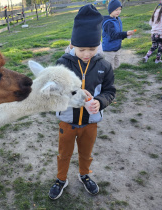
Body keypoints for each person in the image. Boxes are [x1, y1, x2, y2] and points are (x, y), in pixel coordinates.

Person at [48, 4, 116, 200]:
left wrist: (101, 102)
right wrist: (73, 93)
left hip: (90, 122)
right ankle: (61, 179)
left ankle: (85, 175)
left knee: (86, 153)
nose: (87, 53)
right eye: (81, 49)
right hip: (67, 122)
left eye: (92, 49)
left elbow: (110, 90)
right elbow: (53, 90)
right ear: (72, 44)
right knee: (64, 154)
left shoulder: (104, 65)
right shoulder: (62, 64)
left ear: (98, 45)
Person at [102, 0, 135, 69]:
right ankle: (107, 77)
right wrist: (125, 33)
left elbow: (118, 34)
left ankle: (113, 73)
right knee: (109, 67)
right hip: (109, 49)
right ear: (111, 10)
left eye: (120, 9)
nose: (118, 11)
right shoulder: (109, 23)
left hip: (116, 47)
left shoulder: (117, 19)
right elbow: (113, 35)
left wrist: (126, 35)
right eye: (116, 10)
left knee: (117, 64)